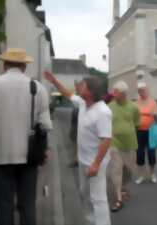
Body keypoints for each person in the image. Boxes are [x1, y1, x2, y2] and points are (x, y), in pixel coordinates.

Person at [0, 48, 53, 225]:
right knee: (27, 205)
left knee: (3, 206)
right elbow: (45, 125)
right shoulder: (38, 88)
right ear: (24, 66)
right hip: (29, 156)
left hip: (0, 155)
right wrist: (45, 151)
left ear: (4, 65)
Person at [44, 71, 112, 225]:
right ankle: (90, 221)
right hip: (83, 160)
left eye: (84, 85)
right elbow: (68, 94)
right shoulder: (83, 103)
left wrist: (96, 164)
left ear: (91, 91)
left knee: (98, 198)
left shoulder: (103, 112)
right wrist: (54, 81)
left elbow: (106, 140)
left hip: (96, 163)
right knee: (85, 194)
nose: (80, 86)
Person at [108, 81, 139, 212]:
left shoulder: (134, 107)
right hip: (114, 143)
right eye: (113, 91)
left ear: (123, 94)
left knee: (128, 170)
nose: (113, 94)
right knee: (116, 170)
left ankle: (123, 187)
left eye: (116, 92)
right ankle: (119, 198)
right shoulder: (109, 106)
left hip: (130, 144)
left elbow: (137, 123)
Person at [135, 82, 157, 184]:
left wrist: (155, 115)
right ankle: (141, 175)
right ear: (138, 92)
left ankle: (152, 174)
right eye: (140, 91)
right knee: (139, 153)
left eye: (144, 90)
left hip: (151, 130)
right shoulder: (136, 103)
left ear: (147, 90)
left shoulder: (153, 102)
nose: (142, 92)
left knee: (151, 153)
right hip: (139, 131)